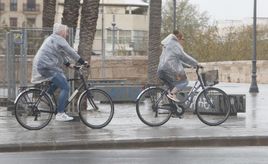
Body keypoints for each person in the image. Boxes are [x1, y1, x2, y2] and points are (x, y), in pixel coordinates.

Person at [31, 23, 88, 121]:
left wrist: (69, 65)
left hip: (43, 65)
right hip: (46, 66)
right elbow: (70, 51)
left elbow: (60, 53)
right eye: (66, 32)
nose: (66, 34)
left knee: (62, 79)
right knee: (65, 87)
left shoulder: (52, 38)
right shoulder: (59, 39)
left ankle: (46, 96)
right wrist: (82, 62)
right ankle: (60, 113)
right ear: (61, 32)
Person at [157, 30, 200, 102]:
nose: (183, 41)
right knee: (184, 82)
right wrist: (196, 63)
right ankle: (172, 94)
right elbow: (183, 56)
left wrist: (189, 66)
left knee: (172, 86)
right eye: (183, 39)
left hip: (161, 69)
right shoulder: (175, 44)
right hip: (169, 69)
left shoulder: (168, 44)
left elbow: (177, 60)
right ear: (178, 38)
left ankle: (170, 105)